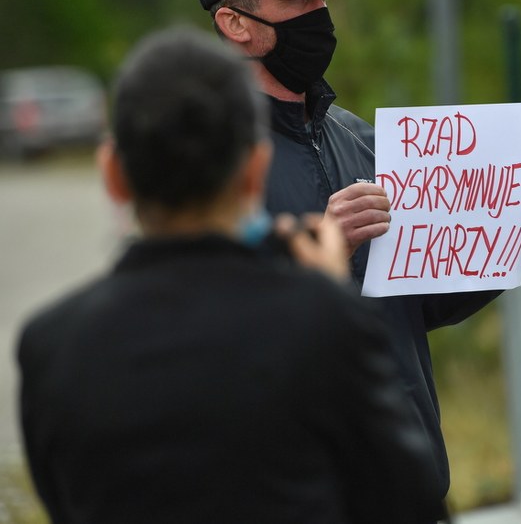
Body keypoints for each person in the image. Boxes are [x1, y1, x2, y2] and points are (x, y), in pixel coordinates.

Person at [198, 0, 521, 515]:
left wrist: (507, 238)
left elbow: (417, 304)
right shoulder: (213, 163)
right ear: (234, 23)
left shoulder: (361, 139)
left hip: (408, 482)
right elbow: (208, 331)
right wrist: (321, 251)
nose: (319, 15)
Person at [16, 27, 443, 524]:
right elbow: (410, 497)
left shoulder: (50, 345)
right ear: (255, 169)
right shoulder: (321, 322)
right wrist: (330, 300)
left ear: (112, 175)